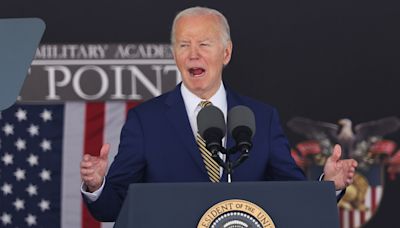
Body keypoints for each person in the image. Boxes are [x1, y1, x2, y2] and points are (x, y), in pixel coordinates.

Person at [80, 6, 358, 222]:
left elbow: (293, 198)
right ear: (174, 54)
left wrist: (328, 186)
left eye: (204, 43)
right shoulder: (146, 121)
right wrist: (97, 186)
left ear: (226, 53)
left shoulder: (261, 118)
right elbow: (113, 207)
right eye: (183, 44)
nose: (193, 54)